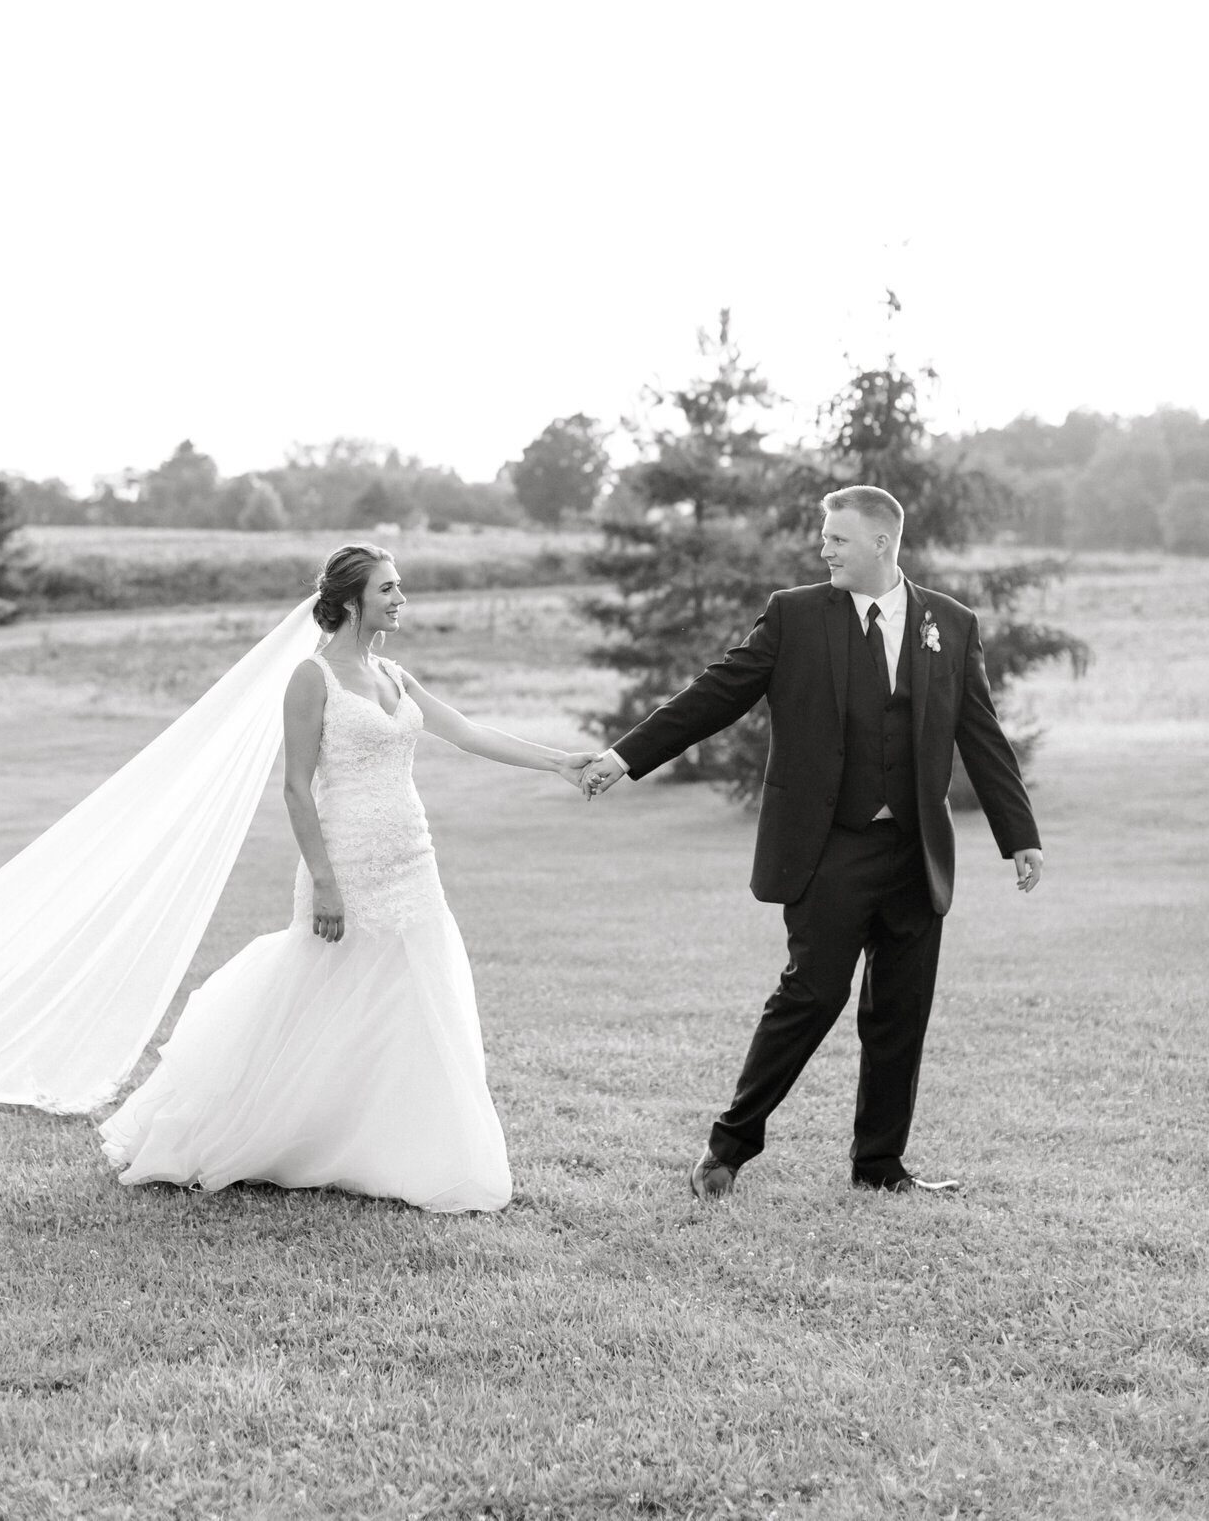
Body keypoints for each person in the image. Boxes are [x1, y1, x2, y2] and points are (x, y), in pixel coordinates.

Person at [579, 486, 1044, 1198]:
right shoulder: (795, 615)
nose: (823, 548)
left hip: (916, 853)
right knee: (809, 997)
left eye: (837, 538)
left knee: (900, 1013)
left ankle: (880, 1167)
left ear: (883, 544)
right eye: (823, 537)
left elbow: (979, 733)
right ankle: (728, 1148)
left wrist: (1019, 835)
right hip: (831, 847)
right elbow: (717, 692)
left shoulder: (949, 623)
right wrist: (625, 756)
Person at [99, 544, 594, 1211]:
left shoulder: (394, 673)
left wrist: (561, 762)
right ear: (351, 601)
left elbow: (467, 732)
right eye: (387, 589)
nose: (400, 599)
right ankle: (255, 1129)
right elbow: (297, 791)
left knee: (419, 1002)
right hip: (347, 867)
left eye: (400, 588)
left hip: (413, 861)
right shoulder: (313, 678)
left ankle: (405, 1148)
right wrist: (325, 882)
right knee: (317, 997)